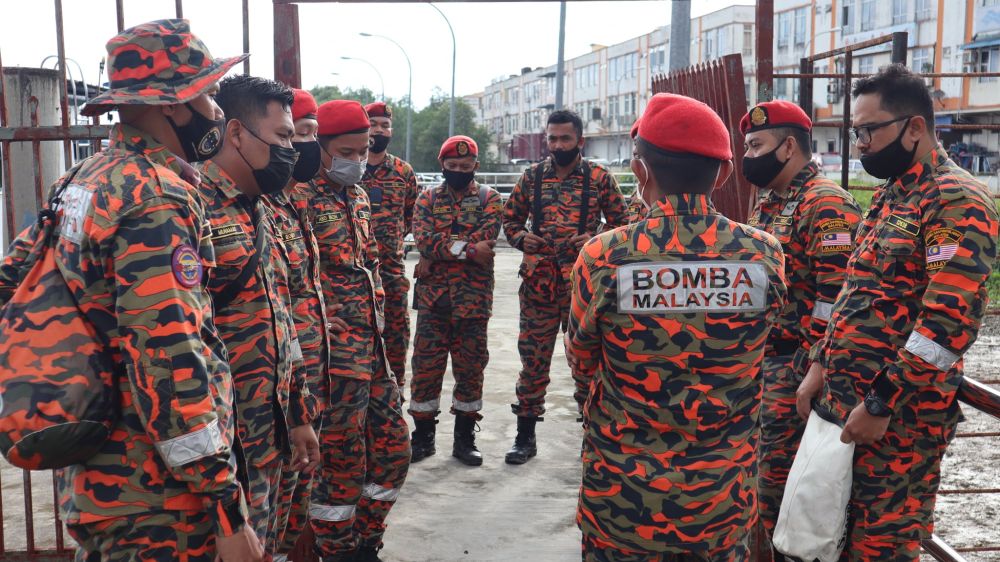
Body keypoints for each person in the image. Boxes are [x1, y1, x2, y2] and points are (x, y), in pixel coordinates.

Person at [0, 19, 263, 561]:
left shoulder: (83, 178)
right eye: (209, 94)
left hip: (100, 479)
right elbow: (169, 356)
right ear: (174, 105)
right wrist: (225, 505)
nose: (217, 110)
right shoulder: (156, 196)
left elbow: (11, 278)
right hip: (159, 499)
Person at [566, 93, 788, 562]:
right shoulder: (764, 254)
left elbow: (583, 361)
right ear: (723, 174)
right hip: (720, 505)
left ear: (640, 171)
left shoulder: (604, 256)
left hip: (623, 502)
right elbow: (764, 344)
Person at [796, 63, 999, 562]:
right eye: (856, 132)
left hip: (899, 421)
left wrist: (882, 400)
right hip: (847, 405)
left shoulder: (956, 199)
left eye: (869, 130)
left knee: (881, 547)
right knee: (832, 542)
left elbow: (947, 324)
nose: (860, 144)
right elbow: (856, 291)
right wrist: (820, 361)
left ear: (914, 127)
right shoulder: (893, 194)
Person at [197, 74, 320, 554]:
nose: (291, 150)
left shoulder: (261, 207)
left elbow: (281, 320)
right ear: (236, 133)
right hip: (222, 450)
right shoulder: (193, 208)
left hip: (270, 435)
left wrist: (298, 413)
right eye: (283, 136)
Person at [289, 99, 410, 562]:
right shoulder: (297, 197)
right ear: (320, 146)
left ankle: (367, 538)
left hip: (372, 351)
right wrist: (313, 317)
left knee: (394, 450)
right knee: (340, 466)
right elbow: (287, 276)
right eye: (347, 152)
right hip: (333, 360)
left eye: (363, 150)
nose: (358, 160)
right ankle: (338, 550)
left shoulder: (357, 196)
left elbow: (369, 264)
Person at [739, 100, 862, 545]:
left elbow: (837, 298)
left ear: (788, 146)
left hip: (798, 371)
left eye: (756, 145)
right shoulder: (770, 203)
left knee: (783, 494)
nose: (748, 156)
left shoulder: (826, 204)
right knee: (762, 491)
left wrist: (815, 367)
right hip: (766, 367)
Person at [501, 109, 627, 465]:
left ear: (580, 141)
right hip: (539, 286)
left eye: (565, 138)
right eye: (552, 138)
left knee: (588, 364)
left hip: (583, 288)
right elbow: (509, 220)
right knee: (533, 363)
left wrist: (596, 238)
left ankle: (594, 438)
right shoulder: (532, 177)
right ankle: (525, 437)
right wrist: (522, 238)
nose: (557, 145)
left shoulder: (599, 178)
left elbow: (623, 224)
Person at [408, 135, 503, 466]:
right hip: (433, 302)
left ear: (476, 165)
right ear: (442, 165)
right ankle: (423, 438)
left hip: (473, 303)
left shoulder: (490, 199)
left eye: (465, 165)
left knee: (471, 371)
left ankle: (465, 439)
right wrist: (468, 250)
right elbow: (423, 240)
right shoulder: (426, 199)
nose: (459, 171)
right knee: (425, 370)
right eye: (452, 165)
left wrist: (441, 250)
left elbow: (487, 239)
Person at [266, 87, 331, 562]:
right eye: (294, 135)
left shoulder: (296, 204)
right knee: (265, 518)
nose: (303, 146)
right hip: (269, 398)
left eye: (309, 135)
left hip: (305, 387)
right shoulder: (255, 208)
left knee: (292, 510)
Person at [360, 102, 419, 395]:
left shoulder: (403, 172)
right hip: (355, 271)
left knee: (396, 334)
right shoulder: (348, 167)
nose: (379, 130)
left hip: (391, 272)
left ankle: (395, 393)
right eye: (373, 124)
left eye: (385, 125)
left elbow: (411, 217)